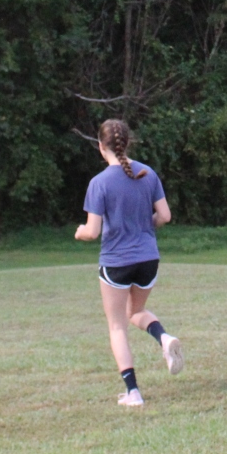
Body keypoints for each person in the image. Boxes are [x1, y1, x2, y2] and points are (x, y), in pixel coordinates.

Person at [74, 119, 184, 407]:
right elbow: (165, 216)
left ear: (101, 147)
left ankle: (133, 392)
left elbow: (92, 231)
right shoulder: (148, 173)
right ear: (128, 142)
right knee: (135, 311)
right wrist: (144, 226)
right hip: (148, 259)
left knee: (117, 326)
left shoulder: (99, 183)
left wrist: (79, 232)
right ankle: (164, 338)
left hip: (116, 262)